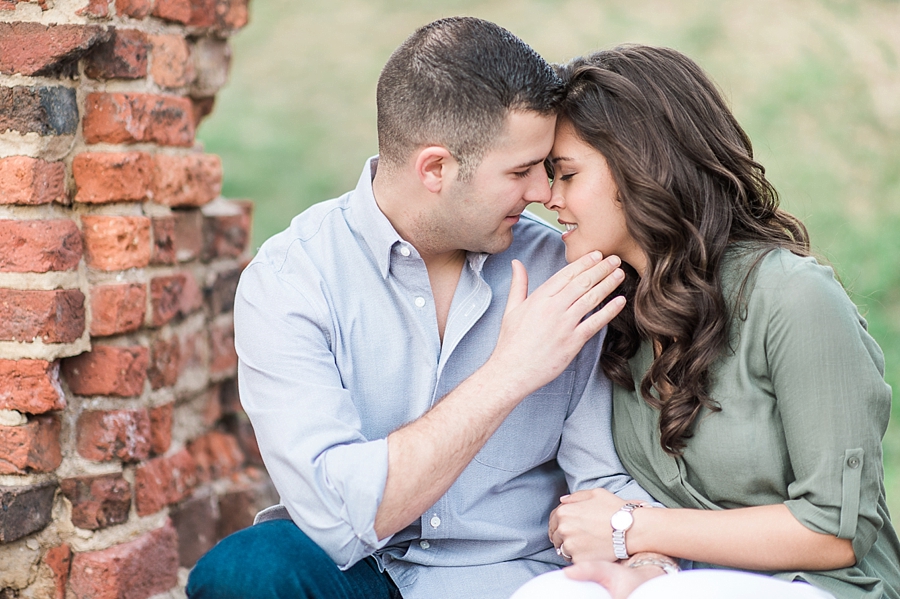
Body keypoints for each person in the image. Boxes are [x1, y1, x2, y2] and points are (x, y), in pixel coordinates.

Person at [186, 18, 656, 599]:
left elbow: (604, 475)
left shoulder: (567, 269)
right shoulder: (291, 279)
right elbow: (334, 516)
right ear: (435, 168)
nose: (542, 192)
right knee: (247, 572)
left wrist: (646, 564)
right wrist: (510, 373)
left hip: (518, 581)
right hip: (362, 573)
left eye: (547, 167)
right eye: (519, 171)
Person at [512, 45, 900, 598]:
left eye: (566, 174)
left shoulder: (792, 297)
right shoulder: (618, 312)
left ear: (641, 166)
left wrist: (628, 528)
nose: (549, 197)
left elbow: (835, 530)